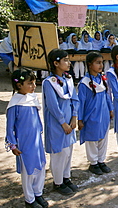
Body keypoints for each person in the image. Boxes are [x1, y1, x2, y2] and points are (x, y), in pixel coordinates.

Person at [5, 69, 48, 208]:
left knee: (40, 166)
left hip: (36, 140)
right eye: (30, 83)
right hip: (24, 142)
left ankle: (38, 193)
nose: (33, 86)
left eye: (34, 82)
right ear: (19, 85)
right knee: (28, 171)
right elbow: (10, 126)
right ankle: (29, 199)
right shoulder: (15, 103)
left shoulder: (32, 98)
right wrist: (12, 144)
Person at [42, 49, 79, 195]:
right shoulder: (48, 83)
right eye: (65, 60)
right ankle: (58, 182)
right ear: (56, 63)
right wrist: (63, 122)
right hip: (57, 124)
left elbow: (74, 99)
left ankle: (66, 177)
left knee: (68, 151)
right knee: (59, 153)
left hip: (70, 122)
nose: (68, 63)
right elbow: (52, 106)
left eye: (68, 60)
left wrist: (74, 117)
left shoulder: (68, 79)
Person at [78, 52, 113, 175]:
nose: (101, 65)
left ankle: (101, 160)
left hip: (103, 113)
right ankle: (93, 162)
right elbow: (81, 102)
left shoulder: (102, 79)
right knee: (92, 138)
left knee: (103, 137)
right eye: (97, 63)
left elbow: (108, 95)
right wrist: (80, 119)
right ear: (89, 64)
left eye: (102, 62)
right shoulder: (85, 83)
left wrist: (111, 108)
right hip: (91, 114)